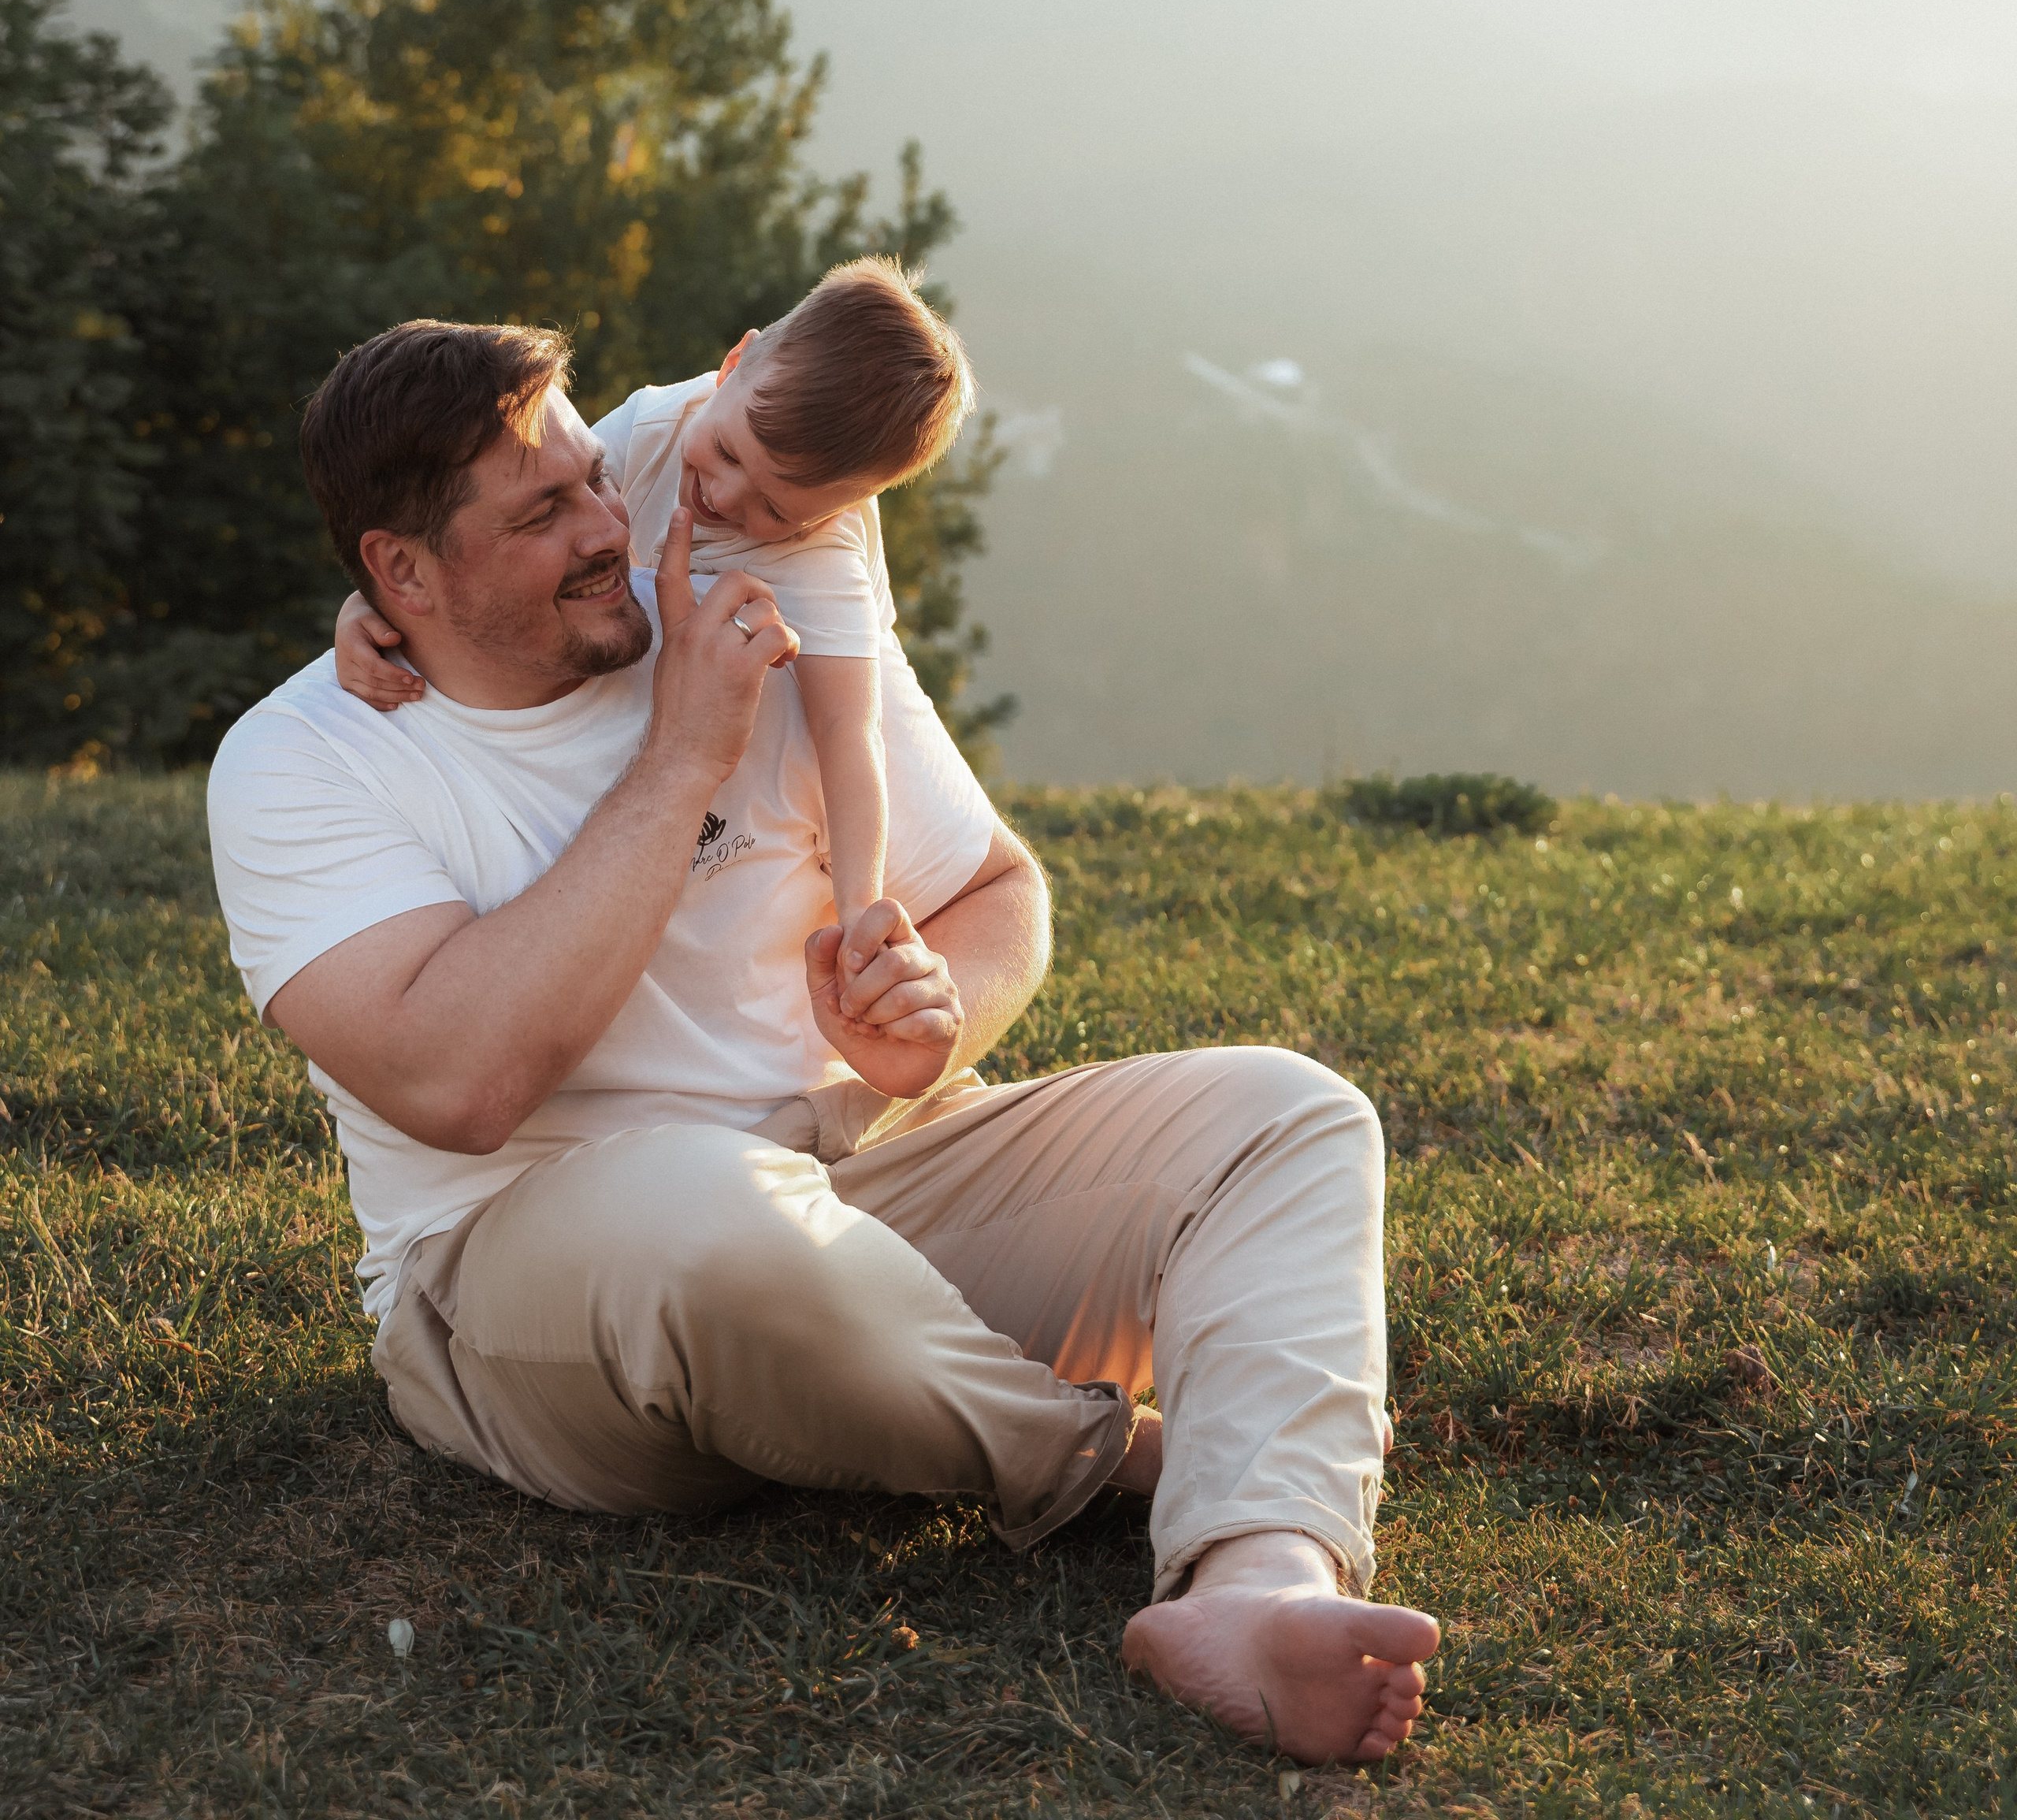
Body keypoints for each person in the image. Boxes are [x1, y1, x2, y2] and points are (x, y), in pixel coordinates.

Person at [206, 318, 1439, 1766]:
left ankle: (1257, 1581)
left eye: (599, 478)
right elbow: (457, 1083)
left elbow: (993, 892)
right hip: (530, 1269)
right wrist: (682, 756)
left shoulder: (747, 587)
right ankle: (1111, 1455)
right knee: (699, 1212)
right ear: (399, 573)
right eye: (542, 514)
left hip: (851, 1173)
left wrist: (932, 1014)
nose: (613, 527)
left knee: (1286, 1115)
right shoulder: (305, 759)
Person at [335, 258, 969, 1064]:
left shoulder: (822, 555)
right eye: (730, 450)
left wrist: (862, 908)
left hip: (809, 696)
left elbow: (851, 730)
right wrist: (371, 604)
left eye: (775, 506)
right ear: (733, 365)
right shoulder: (650, 427)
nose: (728, 496)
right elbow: (486, 542)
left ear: (839, 509)